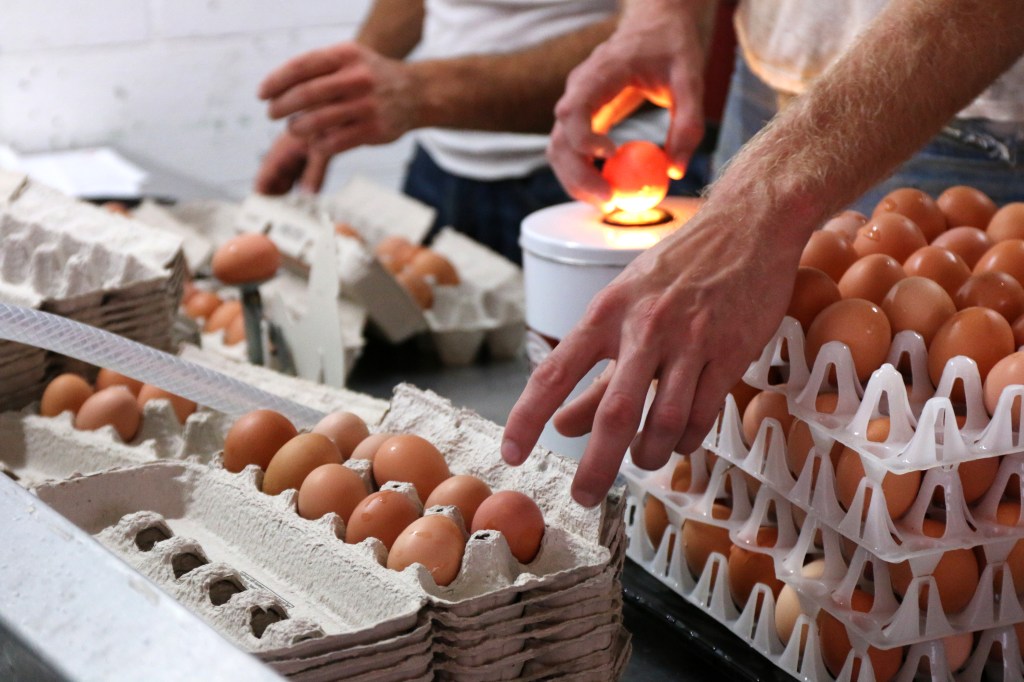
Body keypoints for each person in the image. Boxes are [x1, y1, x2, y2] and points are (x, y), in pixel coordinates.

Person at [500, 0, 1024, 506]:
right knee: (746, 459)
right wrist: (662, 11)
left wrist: (762, 200)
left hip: (957, 97)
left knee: (933, 461)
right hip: (767, 75)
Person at [254, 0, 674, 263]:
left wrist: (420, 93)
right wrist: (339, 99)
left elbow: (659, 39)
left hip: (591, 179)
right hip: (437, 170)